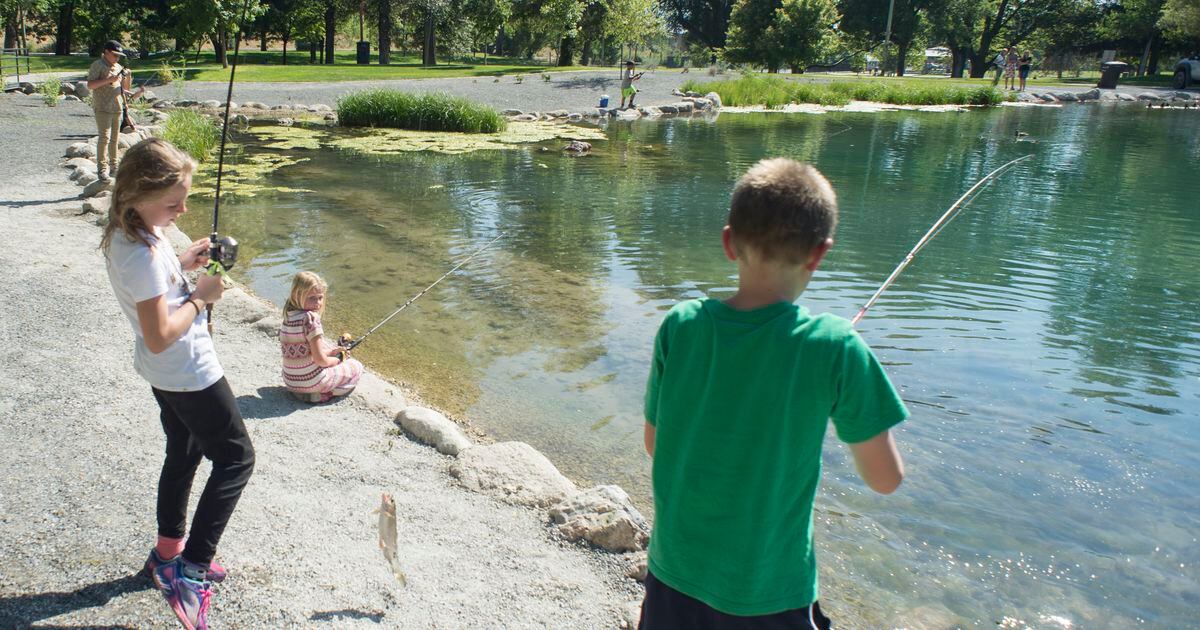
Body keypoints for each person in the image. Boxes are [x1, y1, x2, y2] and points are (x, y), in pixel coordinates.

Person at [639, 158, 908, 629]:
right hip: (769, 594)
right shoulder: (835, 345)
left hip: (672, 580)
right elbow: (885, 479)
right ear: (819, 254)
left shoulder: (680, 325)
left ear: (728, 242)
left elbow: (654, 443)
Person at [101, 137, 255, 630]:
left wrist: (183, 264)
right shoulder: (142, 255)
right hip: (188, 371)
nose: (183, 210)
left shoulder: (133, 233)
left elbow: (155, 291)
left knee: (184, 452)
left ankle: (167, 553)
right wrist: (202, 297)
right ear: (138, 195)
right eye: (174, 203)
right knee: (236, 459)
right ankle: (191, 572)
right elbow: (161, 333)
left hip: (163, 373)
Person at [279, 271, 364, 403]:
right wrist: (338, 360)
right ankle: (327, 393)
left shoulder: (288, 317)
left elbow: (306, 352)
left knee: (325, 346)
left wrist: (332, 352)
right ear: (297, 295)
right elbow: (321, 361)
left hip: (290, 382)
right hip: (313, 382)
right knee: (357, 366)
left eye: (320, 298)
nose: (317, 303)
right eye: (312, 298)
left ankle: (303, 392)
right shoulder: (311, 319)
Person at [86, 40, 143, 181]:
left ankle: (114, 167)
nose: (117, 58)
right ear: (106, 52)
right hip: (103, 107)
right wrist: (109, 79)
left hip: (117, 107)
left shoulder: (118, 67)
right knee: (104, 138)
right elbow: (90, 85)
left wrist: (128, 77)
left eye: (119, 56)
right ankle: (102, 169)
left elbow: (124, 89)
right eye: (115, 55)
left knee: (115, 139)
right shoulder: (97, 65)